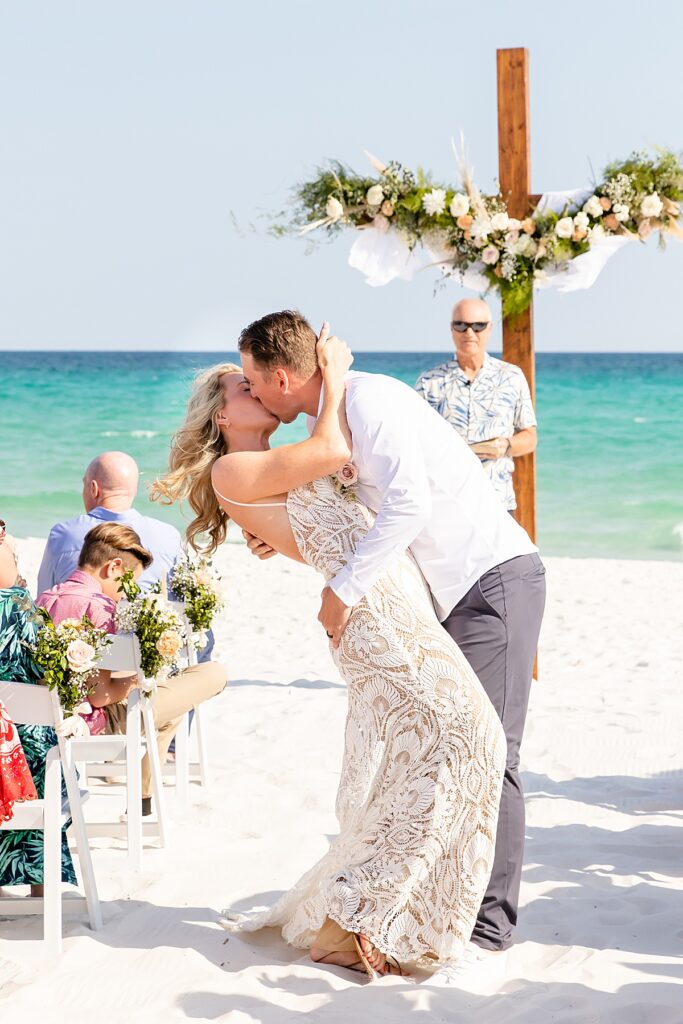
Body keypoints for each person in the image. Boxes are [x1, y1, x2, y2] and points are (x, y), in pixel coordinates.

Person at [152, 331, 507, 981]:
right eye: (241, 387)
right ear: (221, 416)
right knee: (469, 735)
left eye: (253, 380)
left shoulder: (277, 462)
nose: (253, 388)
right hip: (369, 611)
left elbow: (334, 502)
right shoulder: (232, 469)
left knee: (430, 752)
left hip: (389, 596)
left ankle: (356, 921)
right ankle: (358, 917)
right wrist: (335, 375)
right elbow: (335, 450)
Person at [237, 310, 546, 987]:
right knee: (450, 745)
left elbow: (404, 504)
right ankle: (435, 908)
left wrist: (341, 592)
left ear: (283, 377)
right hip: (451, 594)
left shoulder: (367, 400)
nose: (254, 394)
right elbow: (353, 508)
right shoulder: (340, 413)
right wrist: (277, 533)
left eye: (255, 383)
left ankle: (488, 924)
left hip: (492, 580)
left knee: (490, 750)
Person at [37, 523, 227, 814]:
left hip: (44, 718)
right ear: (114, 567)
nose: (125, 593)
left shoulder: (44, 600)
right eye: (128, 583)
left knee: (168, 708)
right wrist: (138, 679)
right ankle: (142, 799)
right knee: (211, 674)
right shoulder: (99, 608)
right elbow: (99, 696)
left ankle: (144, 799)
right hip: (90, 724)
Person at [0, 519, 77, 896]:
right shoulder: (19, 610)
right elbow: (51, 676)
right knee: (38, 741)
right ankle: (41, 886)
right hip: (21, 778)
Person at [415, 298, 538, 513]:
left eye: (478, 326)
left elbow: (530, 437)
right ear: (451, 329)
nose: (469, 333)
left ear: (490, 329)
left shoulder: (511, 376)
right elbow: (414, 441)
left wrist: (506, 446)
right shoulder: (429, 381)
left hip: (497, 501)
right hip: (446, 501)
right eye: (461, 325)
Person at [37, 451, 183, 594]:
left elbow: (44, 597)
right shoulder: (169, 535)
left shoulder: (63, 533)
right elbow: (179, 599)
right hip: (151, 617)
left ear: (94, 489)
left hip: (79, 617)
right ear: (133, 490)